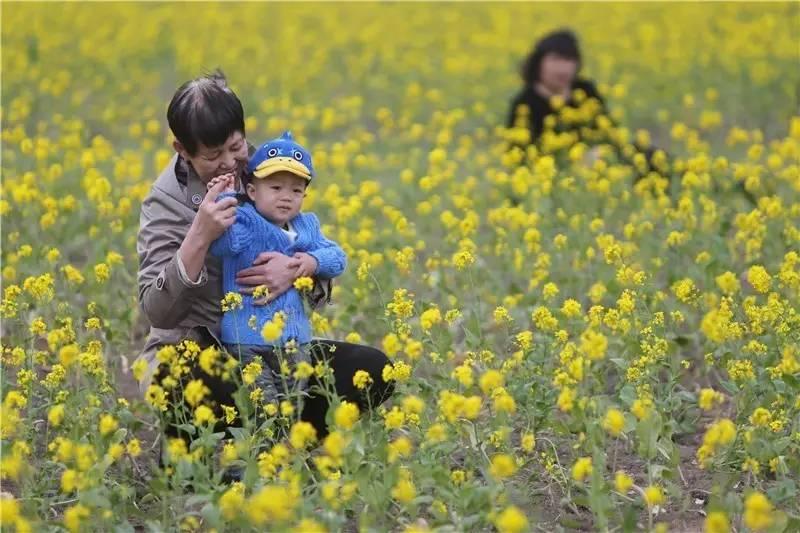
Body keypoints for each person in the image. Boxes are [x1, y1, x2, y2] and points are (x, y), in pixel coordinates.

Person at [135, 71, 393, 454]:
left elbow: (307, 242)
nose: (229, 163)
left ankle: (281, 446)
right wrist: (199, 235)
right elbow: (157, 311)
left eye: (235, 146)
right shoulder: (165, 203)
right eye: (212, 155)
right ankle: (201, 455)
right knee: (186, 382)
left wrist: (299, 268)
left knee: (375, 369)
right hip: (201, 350)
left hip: (274, 348)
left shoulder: (265, 169)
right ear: (181, 149)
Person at [208, 130, 347, 412]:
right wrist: (223, 203)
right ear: (251, 191)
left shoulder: (306, 226)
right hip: (247, 341)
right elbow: (223, 245)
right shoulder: (246, 222)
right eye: (276, 188)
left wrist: (310, 263)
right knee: (264, 408)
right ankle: (269, 455)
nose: (287, 198)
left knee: (292, 408)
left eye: (296, 190)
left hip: (295, 342)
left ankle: (287, 454)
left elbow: (338, 257)